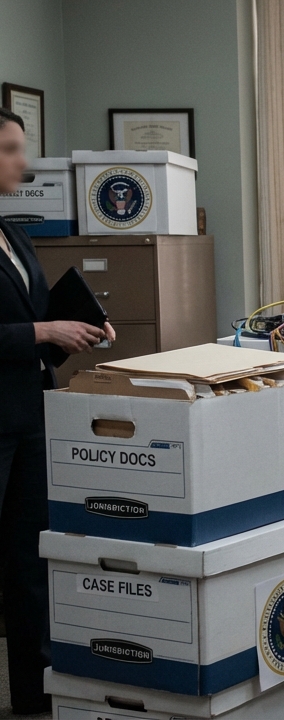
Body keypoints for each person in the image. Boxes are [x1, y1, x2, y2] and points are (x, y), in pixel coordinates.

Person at [0, 107, 115, 715]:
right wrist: (44, 329)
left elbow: (38, 306)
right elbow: (26, 324)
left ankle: (32, 695)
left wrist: (86, 322)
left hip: (30, 415)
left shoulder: (13, 233)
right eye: (12, 149)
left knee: (28, 560)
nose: (24, 161)